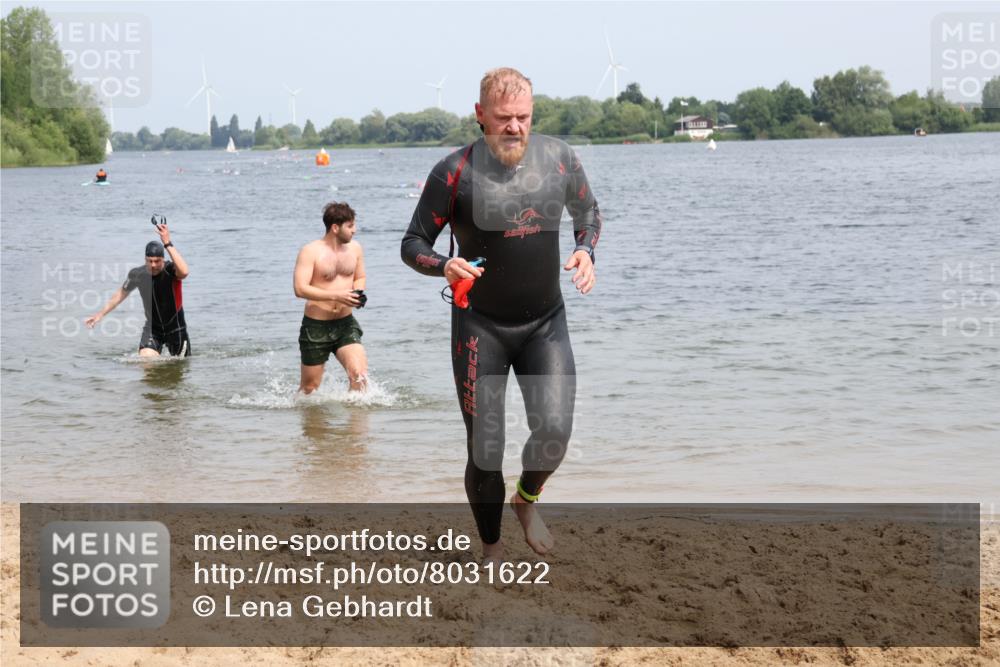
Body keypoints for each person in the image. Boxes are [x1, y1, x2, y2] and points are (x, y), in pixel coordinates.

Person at [401, 67, 601, 560]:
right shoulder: (454, 172)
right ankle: (491, 547)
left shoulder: (559, 159)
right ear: (480, 115)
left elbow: (589, 214)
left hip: (544, 323)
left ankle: (527, 500)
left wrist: (585, 251)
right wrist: (442, 264)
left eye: (523, 117)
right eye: (504, 118)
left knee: (554, 432)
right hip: (479, 326)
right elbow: (412, 244)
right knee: (486, 449)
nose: (514, 127)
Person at [294, 201, 369, 394]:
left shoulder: (356, 249)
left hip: (346, 323)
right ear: (335, 228)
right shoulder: (310, 251)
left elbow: (360, 276)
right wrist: (336, 295)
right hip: (316, 327)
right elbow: (300, 289)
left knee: (359, 376)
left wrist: (358, 292)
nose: (355, 230)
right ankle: (310, 422)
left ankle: (355, 423)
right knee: (309, 389)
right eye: (350, 226)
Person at [86, 220, 191, 357]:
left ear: (163, 260)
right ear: (145, 259)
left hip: (176, 329)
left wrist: (167, 243)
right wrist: (99, 314)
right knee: (146, 360)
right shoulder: (138, 274)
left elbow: (184, 272)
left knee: (179, 370)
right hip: (153, 329)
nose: (153, 265)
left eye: (157, 261)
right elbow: (120, 294)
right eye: (149, 261)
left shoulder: (170, 270)